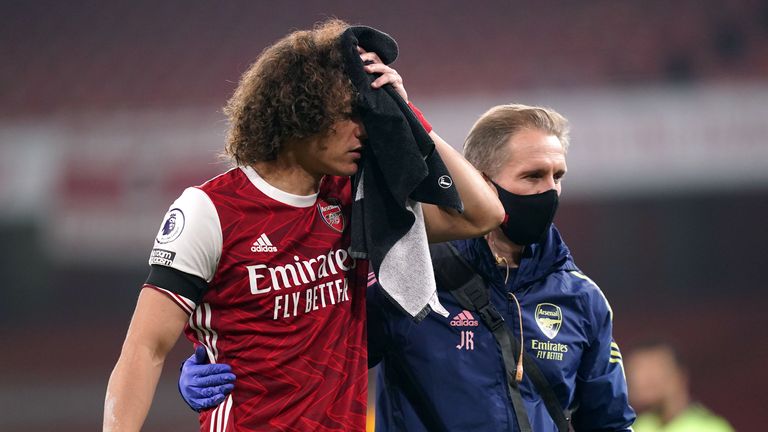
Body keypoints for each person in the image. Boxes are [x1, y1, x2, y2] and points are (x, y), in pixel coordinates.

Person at [103, 19, 504, 432]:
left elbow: (481, 214)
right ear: (301, 111)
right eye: (349, 115)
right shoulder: (210, 211)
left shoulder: (355, 199)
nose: (363, 131)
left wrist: (409, 113)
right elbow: (145, 349)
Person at [180, 103, 636, 431]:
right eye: (533, 177)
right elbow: (311, 353)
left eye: (558, 176)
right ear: (479, 180)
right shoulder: (410, 274)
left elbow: (610, 422)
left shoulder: (583, 299)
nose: (550, 192)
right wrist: (216, 368)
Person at [627, 342, 734, 432]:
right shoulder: (640, 426)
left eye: (650, 371)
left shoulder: (710, 429)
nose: (639, 380)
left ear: (678, 376)